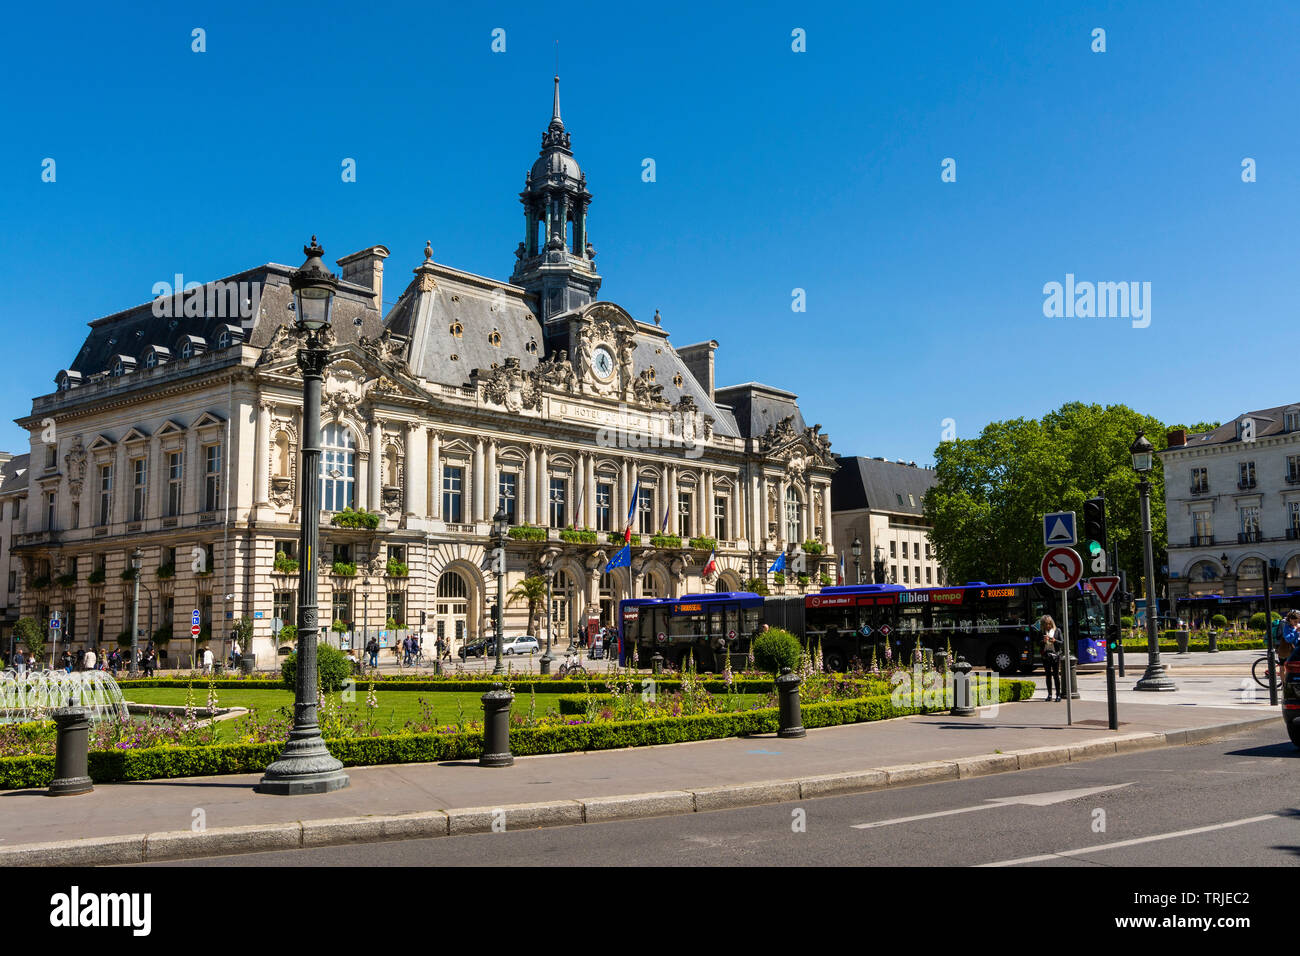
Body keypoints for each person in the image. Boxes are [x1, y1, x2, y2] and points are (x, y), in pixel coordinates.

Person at [1040, 614, 1062, 702]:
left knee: (1056, 676)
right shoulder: (1041, 632)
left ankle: (1058, 695)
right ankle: (1049, 694)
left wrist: (1055, 641)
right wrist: (1043, 641)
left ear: (1051, 623)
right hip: (1046, 656)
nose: (1047, 626)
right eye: (1045, 624)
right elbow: (1037, 643)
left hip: (1055, 656)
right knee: (1048, 675)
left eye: (1049, 624)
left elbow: (1062, 642)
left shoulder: (1057, 631)